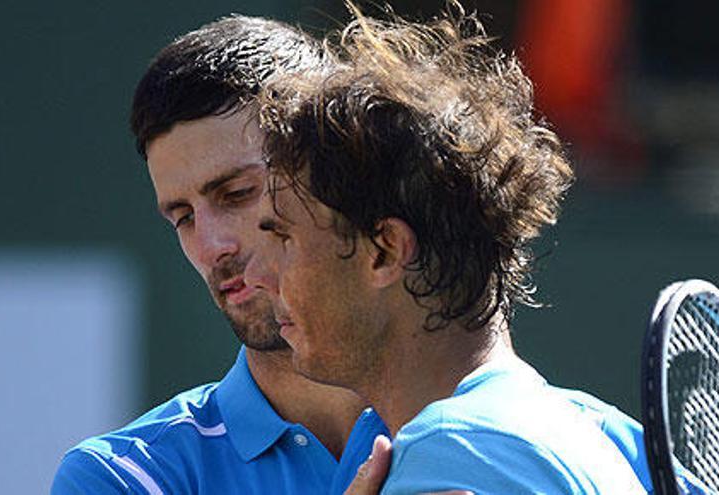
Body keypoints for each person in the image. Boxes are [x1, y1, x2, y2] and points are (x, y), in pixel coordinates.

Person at [245, 3, 667, 493]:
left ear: (384, 251)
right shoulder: (587, 435)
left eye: (284, 238)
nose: (261, 275)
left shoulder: (451, 450)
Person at [51, 15, 389, 494]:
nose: (212, 248)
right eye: (183, 217)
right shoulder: (124, 477)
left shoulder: (485, 428)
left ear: (342, 178)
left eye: (237, 193)